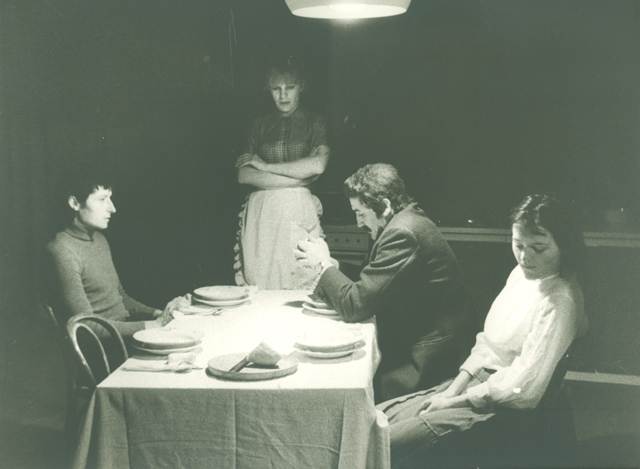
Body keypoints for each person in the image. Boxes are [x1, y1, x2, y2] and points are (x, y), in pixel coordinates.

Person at [376, 194, 589, 468]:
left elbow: (523, 392)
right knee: (376, 418)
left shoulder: (560, 301)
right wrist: (451, 391)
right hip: (478, 388)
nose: (525, 257)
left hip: (502, 410)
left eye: (538, 248)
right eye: (518, 245)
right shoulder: (521, 274)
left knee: (381, 444)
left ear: (565, 246)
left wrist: (453, 403)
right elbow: (487, 343)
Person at [294, 163, 479, 402]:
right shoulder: (406, 219)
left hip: (430, 360)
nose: (359, 223)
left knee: (339, 385)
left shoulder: (402, 233)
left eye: (361, 213)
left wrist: (322, 265)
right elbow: (371, 278)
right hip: (424, 343)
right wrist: (333, 264)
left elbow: (355, 305)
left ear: (385, 205)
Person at [43, 166, 189, 338]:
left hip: (126, 335)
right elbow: (87, 326)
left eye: (110, 198)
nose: (112, 208)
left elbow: (121, 299)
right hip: (107, 349)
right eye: (102, 199)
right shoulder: (61, 251)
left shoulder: (99, 239)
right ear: (75, 203)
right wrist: (156, 325)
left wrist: (161, 314)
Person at [234, 54, 330, 290]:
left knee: (299, 276)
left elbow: (318, 165)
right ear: (268, 89)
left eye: (290, 87)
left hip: (297, 209)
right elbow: (244, 175)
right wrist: (300, 179)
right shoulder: (259, 125)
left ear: (302, 87)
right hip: (261, 212)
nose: (283, 95)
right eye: (276, 88)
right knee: (259, 279)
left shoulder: (315, 122)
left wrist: (265, 167)